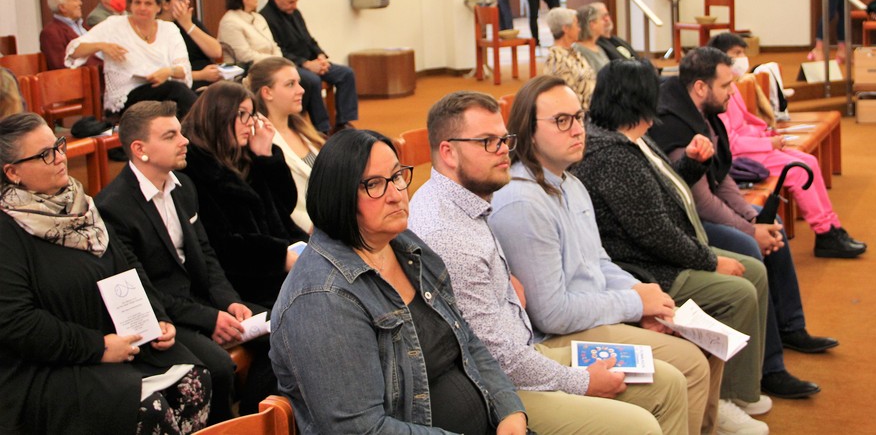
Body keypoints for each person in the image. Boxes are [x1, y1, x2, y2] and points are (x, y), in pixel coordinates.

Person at [410, 91, 692, 435]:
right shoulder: (449, 233)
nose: (503, 150)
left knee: (667, 382)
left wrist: (504, 279)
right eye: (487, 142)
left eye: (503, 139)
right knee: (640, 426)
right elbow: (498, 360)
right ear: (448, 152)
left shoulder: (463, 199)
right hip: (498, 387)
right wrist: (582, 381)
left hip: (524, 349)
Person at [491, 76, 722, 435]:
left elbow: (598, 262)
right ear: (528, 132)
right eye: (561, 121)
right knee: (690, 363)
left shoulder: (570, 182)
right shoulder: (523, 202)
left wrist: (644, 297)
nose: (577, 129)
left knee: (704, 339)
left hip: (591, 314)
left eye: (578, 117)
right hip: (558, 336)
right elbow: (551, 315)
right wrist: (634, 304)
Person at [269, 129, 528, 434]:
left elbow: (466, 341)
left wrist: (509, 409)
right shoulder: (320, 299)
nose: (396, 194)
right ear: (338, 196)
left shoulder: (406, 246)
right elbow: (360, 429)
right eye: (374, 185)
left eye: (396, 176)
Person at [571, 60, 774, 426]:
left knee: (754, 270)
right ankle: (726, 400)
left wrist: (692, 164)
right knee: (739, 291)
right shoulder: (611, 155)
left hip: (663, 251)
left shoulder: (633, 136)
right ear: (641, 98)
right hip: (647, 266)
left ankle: (741, 388)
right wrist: (710, 261)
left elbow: (660, 193)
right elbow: (654, 233)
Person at [0, 112, 210, 434]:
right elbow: (18, 323)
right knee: (148, 408)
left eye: (58, 146)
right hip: (49, 365)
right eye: (45, 155)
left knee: (195, 380)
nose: (60, 158)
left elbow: (128, 266)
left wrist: (155, 317)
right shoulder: (7, 230)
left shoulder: (80, 204)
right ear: (13, 172)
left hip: (113, 341)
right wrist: (98, 347)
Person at [648, 47, 833, 399]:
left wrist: (753, 218)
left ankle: (791, 326)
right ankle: (770, 368)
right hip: (686, 224)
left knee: (771, 223)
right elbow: (702, 201)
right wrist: (750, 232)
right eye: (726, 85)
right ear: (700, 87)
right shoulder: (674, 123)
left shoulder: (704, 112)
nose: (733, 92)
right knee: (748, 245)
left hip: (704, 211)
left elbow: (722, 177)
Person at [96, 101, 278, 423]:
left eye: (180, 132)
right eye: (170, 136)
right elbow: (143, 288)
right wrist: (210, 319)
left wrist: (230, 302)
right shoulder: (113, 207)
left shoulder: (183, 187)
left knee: (282, 328)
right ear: (140, 149)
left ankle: (256, 420)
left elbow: (206, 255)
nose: (185, 141)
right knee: (218, 368)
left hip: (202, 301)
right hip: (164, 316)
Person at [706, 33, 867, 258]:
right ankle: (824, 232)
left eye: (743, 53)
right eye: (736, 54)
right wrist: (766, 142)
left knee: (808, 161)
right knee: (799, 171)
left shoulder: (731, 86)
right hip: (742, 157)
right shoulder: (717, 94)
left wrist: (767, 134)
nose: (742, 59)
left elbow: (745, 123)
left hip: (754, 148)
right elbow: (731, 142)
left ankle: (832, 226)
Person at [180, 81, 305, 308]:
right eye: (241, 114)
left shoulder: (242, 156)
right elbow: (220, 246)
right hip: (247, 284)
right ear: (218, 114)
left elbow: (284, 207)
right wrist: (279, 257)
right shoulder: (195, 169)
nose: (250, 123)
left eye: (252, 114)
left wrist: (266, 156)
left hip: (280, 265)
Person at [66, 0, 198, 117]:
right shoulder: (114, 25)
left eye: (148, 3)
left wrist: (168, 71)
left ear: (158, 7)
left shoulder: (169, 29)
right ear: (130, 5)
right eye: (137, 3)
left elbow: (184, 69)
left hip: (162, 91)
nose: (142, 8)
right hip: (126, 98)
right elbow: (73, 51)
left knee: (181, 95)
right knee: (176, 90)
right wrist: (102, 46)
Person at [218, 0, 332, 134]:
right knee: (308, 80)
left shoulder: (258, 18)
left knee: (301, 79)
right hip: (251, 70)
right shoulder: (230, 22)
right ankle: (306, 127)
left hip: (273, 65)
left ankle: (311, 127)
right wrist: (275, 62)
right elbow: (245, 55)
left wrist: (280, 62)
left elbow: (274, 45)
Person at [260, 0, 359, 132]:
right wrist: (306, 64)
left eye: (296, 1)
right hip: (292, 64)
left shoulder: (295, 12)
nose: (294, 6)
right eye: (291, 2)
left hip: (312, 61)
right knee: (313, 81)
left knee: (346, 73)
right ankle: (322, 128)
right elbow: (279, 51)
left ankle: (343, 123)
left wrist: (321, 56)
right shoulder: (265, 17)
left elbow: (309, 39)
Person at [247, 56, 326, 233]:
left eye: (299, 83)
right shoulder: (258, 138)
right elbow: (277, 201)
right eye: (290, 84)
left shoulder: (302, 128)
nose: (301, 90)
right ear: (267, 93)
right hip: (306, 232)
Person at [156, 0, 224, 89]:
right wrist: (201, 75)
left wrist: (188, 25)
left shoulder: (187, 19)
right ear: (165, 4)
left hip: (211, 80)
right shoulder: (157, 29)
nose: (187, 1)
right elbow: (163, 72)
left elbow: (216, 51)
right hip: (187, 85)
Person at [544, 7, 597, 109]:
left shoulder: (574, 52)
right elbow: (568, 99)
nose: (579, 29)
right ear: (566, 28)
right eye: (576, 24)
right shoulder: (557, 60)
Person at [39, 0, 100, 70]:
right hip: (89, 73)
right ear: (62, 7)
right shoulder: (50, 32)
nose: (80, 3)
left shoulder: (84, 26)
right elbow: (61, 65)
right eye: (75, 0)